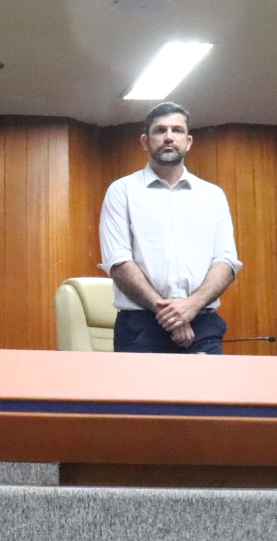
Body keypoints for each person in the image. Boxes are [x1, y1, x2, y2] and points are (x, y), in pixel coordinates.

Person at [98, 101, 241, 354]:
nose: (168, 137)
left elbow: (226, 262)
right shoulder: (122, 191)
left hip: (202, 323)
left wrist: (191, 306)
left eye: (177, 130)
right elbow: (118, 262)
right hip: (141, 327)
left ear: (188, 141)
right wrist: (170, 315)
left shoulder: (212, 195)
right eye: (160, 130)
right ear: (145, 142)